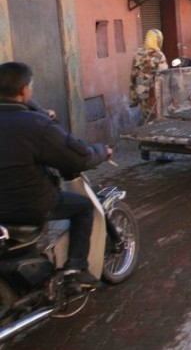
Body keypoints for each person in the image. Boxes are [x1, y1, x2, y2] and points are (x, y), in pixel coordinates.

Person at [0, 62, 112, 290]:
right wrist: (103, 151)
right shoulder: (35, 125)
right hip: (29, 205)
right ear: (24, 90)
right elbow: (79, 158)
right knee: (83, 207)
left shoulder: (35, 119)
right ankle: (75, 269)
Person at [130, 29, 173, 163]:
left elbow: (133, 75)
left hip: (142, 92)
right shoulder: (159, 55)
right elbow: (163, 75)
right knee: (159, 121)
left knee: (146, 120)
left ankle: (145, 149)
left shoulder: (138, 54)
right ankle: (162, 154)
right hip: (155, 93)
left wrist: (133, 95)